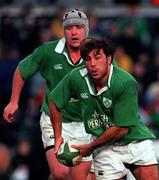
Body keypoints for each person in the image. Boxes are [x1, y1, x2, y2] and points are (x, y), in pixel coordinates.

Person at [3, 9, 96, 180]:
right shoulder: (48, 51)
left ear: (86, 30)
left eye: (78, 27)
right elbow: (22, 70)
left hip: (86, 122)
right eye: (69, 28)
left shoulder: (96, 53)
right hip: (55, 119)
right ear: (63, 30)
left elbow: (112, 81)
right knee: (61, 173)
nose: (74, 32)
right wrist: (13, 101)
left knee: (84, 177)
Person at [49, 37, 159, 180]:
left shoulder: (125, 82)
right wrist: (58, 137)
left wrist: (89, 147)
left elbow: (121, 128)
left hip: (134, 141)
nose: (92, 64)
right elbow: (54, 101)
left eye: (97, 57)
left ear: (109, 59)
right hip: (104, 147)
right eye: (87, 59)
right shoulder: (76, 78)